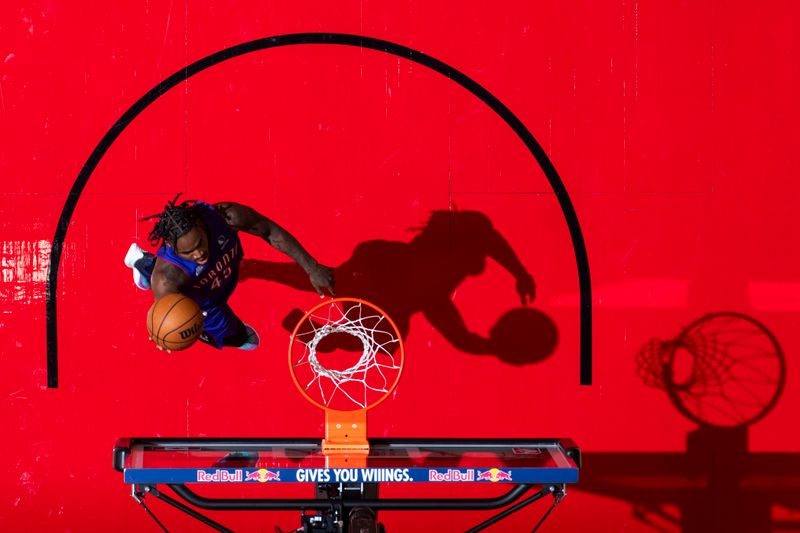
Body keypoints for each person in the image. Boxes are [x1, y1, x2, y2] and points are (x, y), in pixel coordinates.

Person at [124, 194, 335, 351]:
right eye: (188, 252)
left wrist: (311, 267)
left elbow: (270, 231)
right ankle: (146, 265)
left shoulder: (226, 217)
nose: (199, 253)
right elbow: (166, 314)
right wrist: (164, 332)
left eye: (200, 243)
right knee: (238, 338)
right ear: (171, 246)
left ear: (201, 224)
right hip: (205, 303)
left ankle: (144, 264)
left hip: (225, 274)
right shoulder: (166, 279)